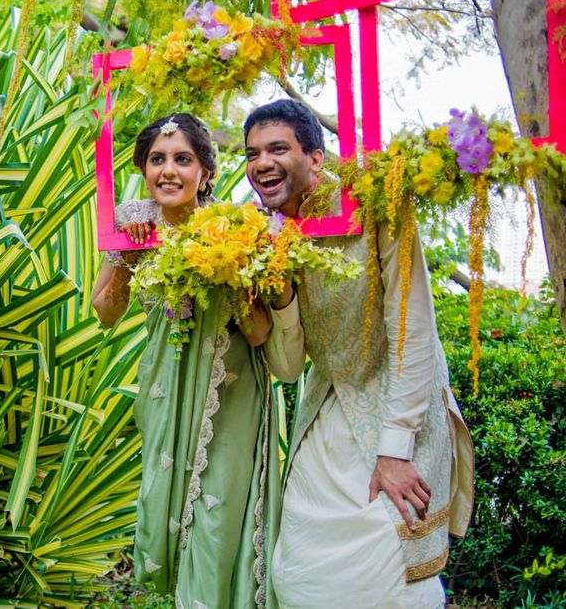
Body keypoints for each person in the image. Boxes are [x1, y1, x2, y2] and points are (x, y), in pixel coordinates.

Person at [242, 99, 475, 608]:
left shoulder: (373, 200)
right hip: (327, 411)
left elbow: (413, 329)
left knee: (383, 577)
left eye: (278, 148)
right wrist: (279, 291)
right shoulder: (265, 235)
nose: (262, 163)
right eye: (252, 153)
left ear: (317, 157)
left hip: (396, 415)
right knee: (296, 574)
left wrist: (395, 449)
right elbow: (285, 368)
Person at [92, 113, 304, 608]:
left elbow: (259, 332)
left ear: (205, 172)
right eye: (157, 159)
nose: (168, 171)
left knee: (217, 520)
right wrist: (132, 253)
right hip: (166, 390)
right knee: (169, 517)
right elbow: (104, 312)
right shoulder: (131, 219)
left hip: (229, 395)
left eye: (183, 160)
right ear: (143, 168)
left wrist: (228, 266)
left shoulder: (231, 226)